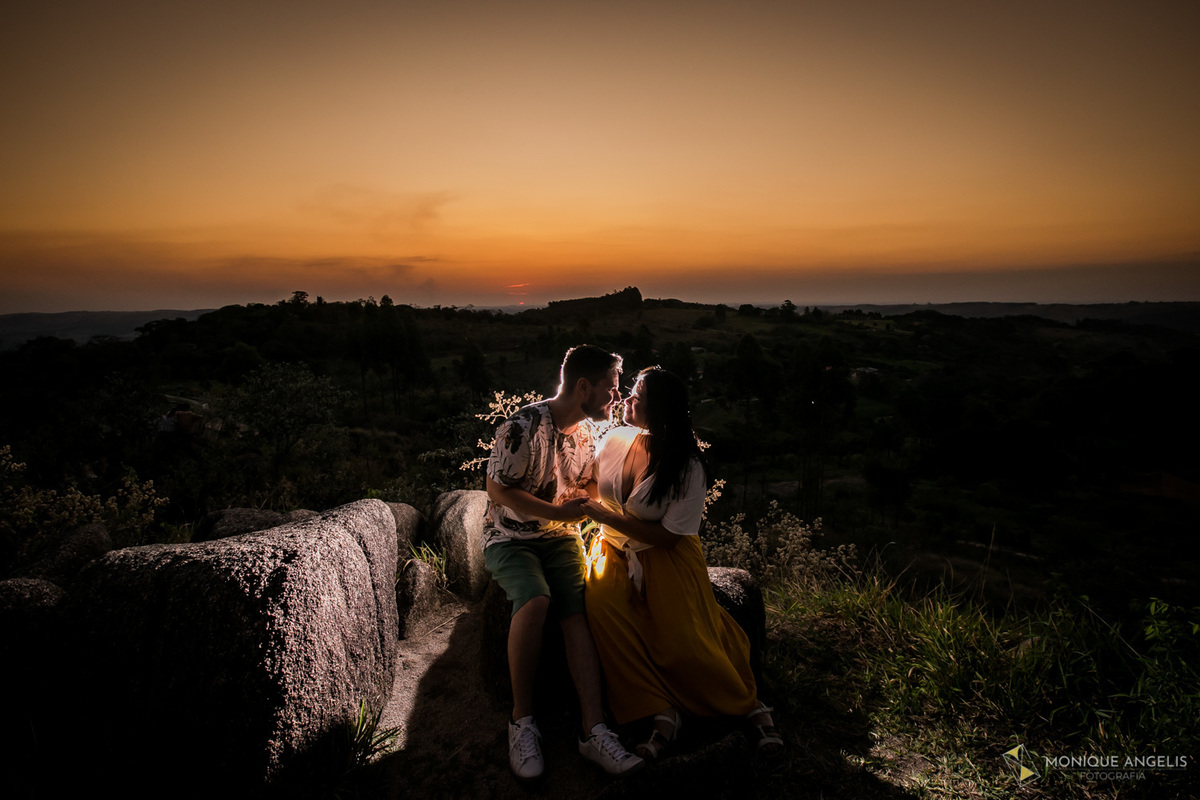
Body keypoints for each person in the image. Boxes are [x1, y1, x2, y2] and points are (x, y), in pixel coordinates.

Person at [581, 367, 783, 759]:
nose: (627, 400)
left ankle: (746, 703)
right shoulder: (615, 439)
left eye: (637, 397)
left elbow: (669, 537)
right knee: (604, 613)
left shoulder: (688, 466)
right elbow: (596, 485)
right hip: (612, 550)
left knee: (682, 644)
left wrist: (604, 516)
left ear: (659, 410)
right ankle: (658, 708)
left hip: (666, 556)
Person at [483, 345, 644, 781]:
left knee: (578, 608)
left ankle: (593, 730)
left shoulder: (590, 432)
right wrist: (559, 513)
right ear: (583, 386)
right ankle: (522, 720)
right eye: (611, 388)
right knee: (535, 599)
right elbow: (497, 491)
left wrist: (617, 509)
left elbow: (588, 483)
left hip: (560, 539)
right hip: (511, 538)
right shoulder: (522, 426)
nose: (616, 397)